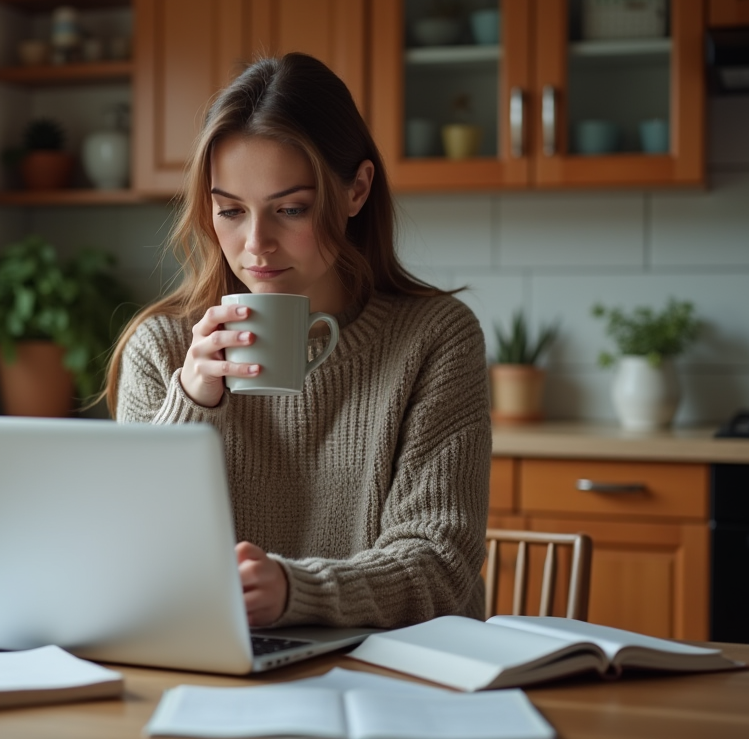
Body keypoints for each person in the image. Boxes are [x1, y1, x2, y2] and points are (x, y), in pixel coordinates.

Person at [104, 52, 490, 630]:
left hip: (392, 670)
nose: (256, 243)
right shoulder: (162, 349)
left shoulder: (435, 339)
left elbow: (441, 563)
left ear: (357, 189)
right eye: (230, 211)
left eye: (290, 209)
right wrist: (191, 403)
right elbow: (128, 559)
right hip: (215, 662)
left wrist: (296, 591)